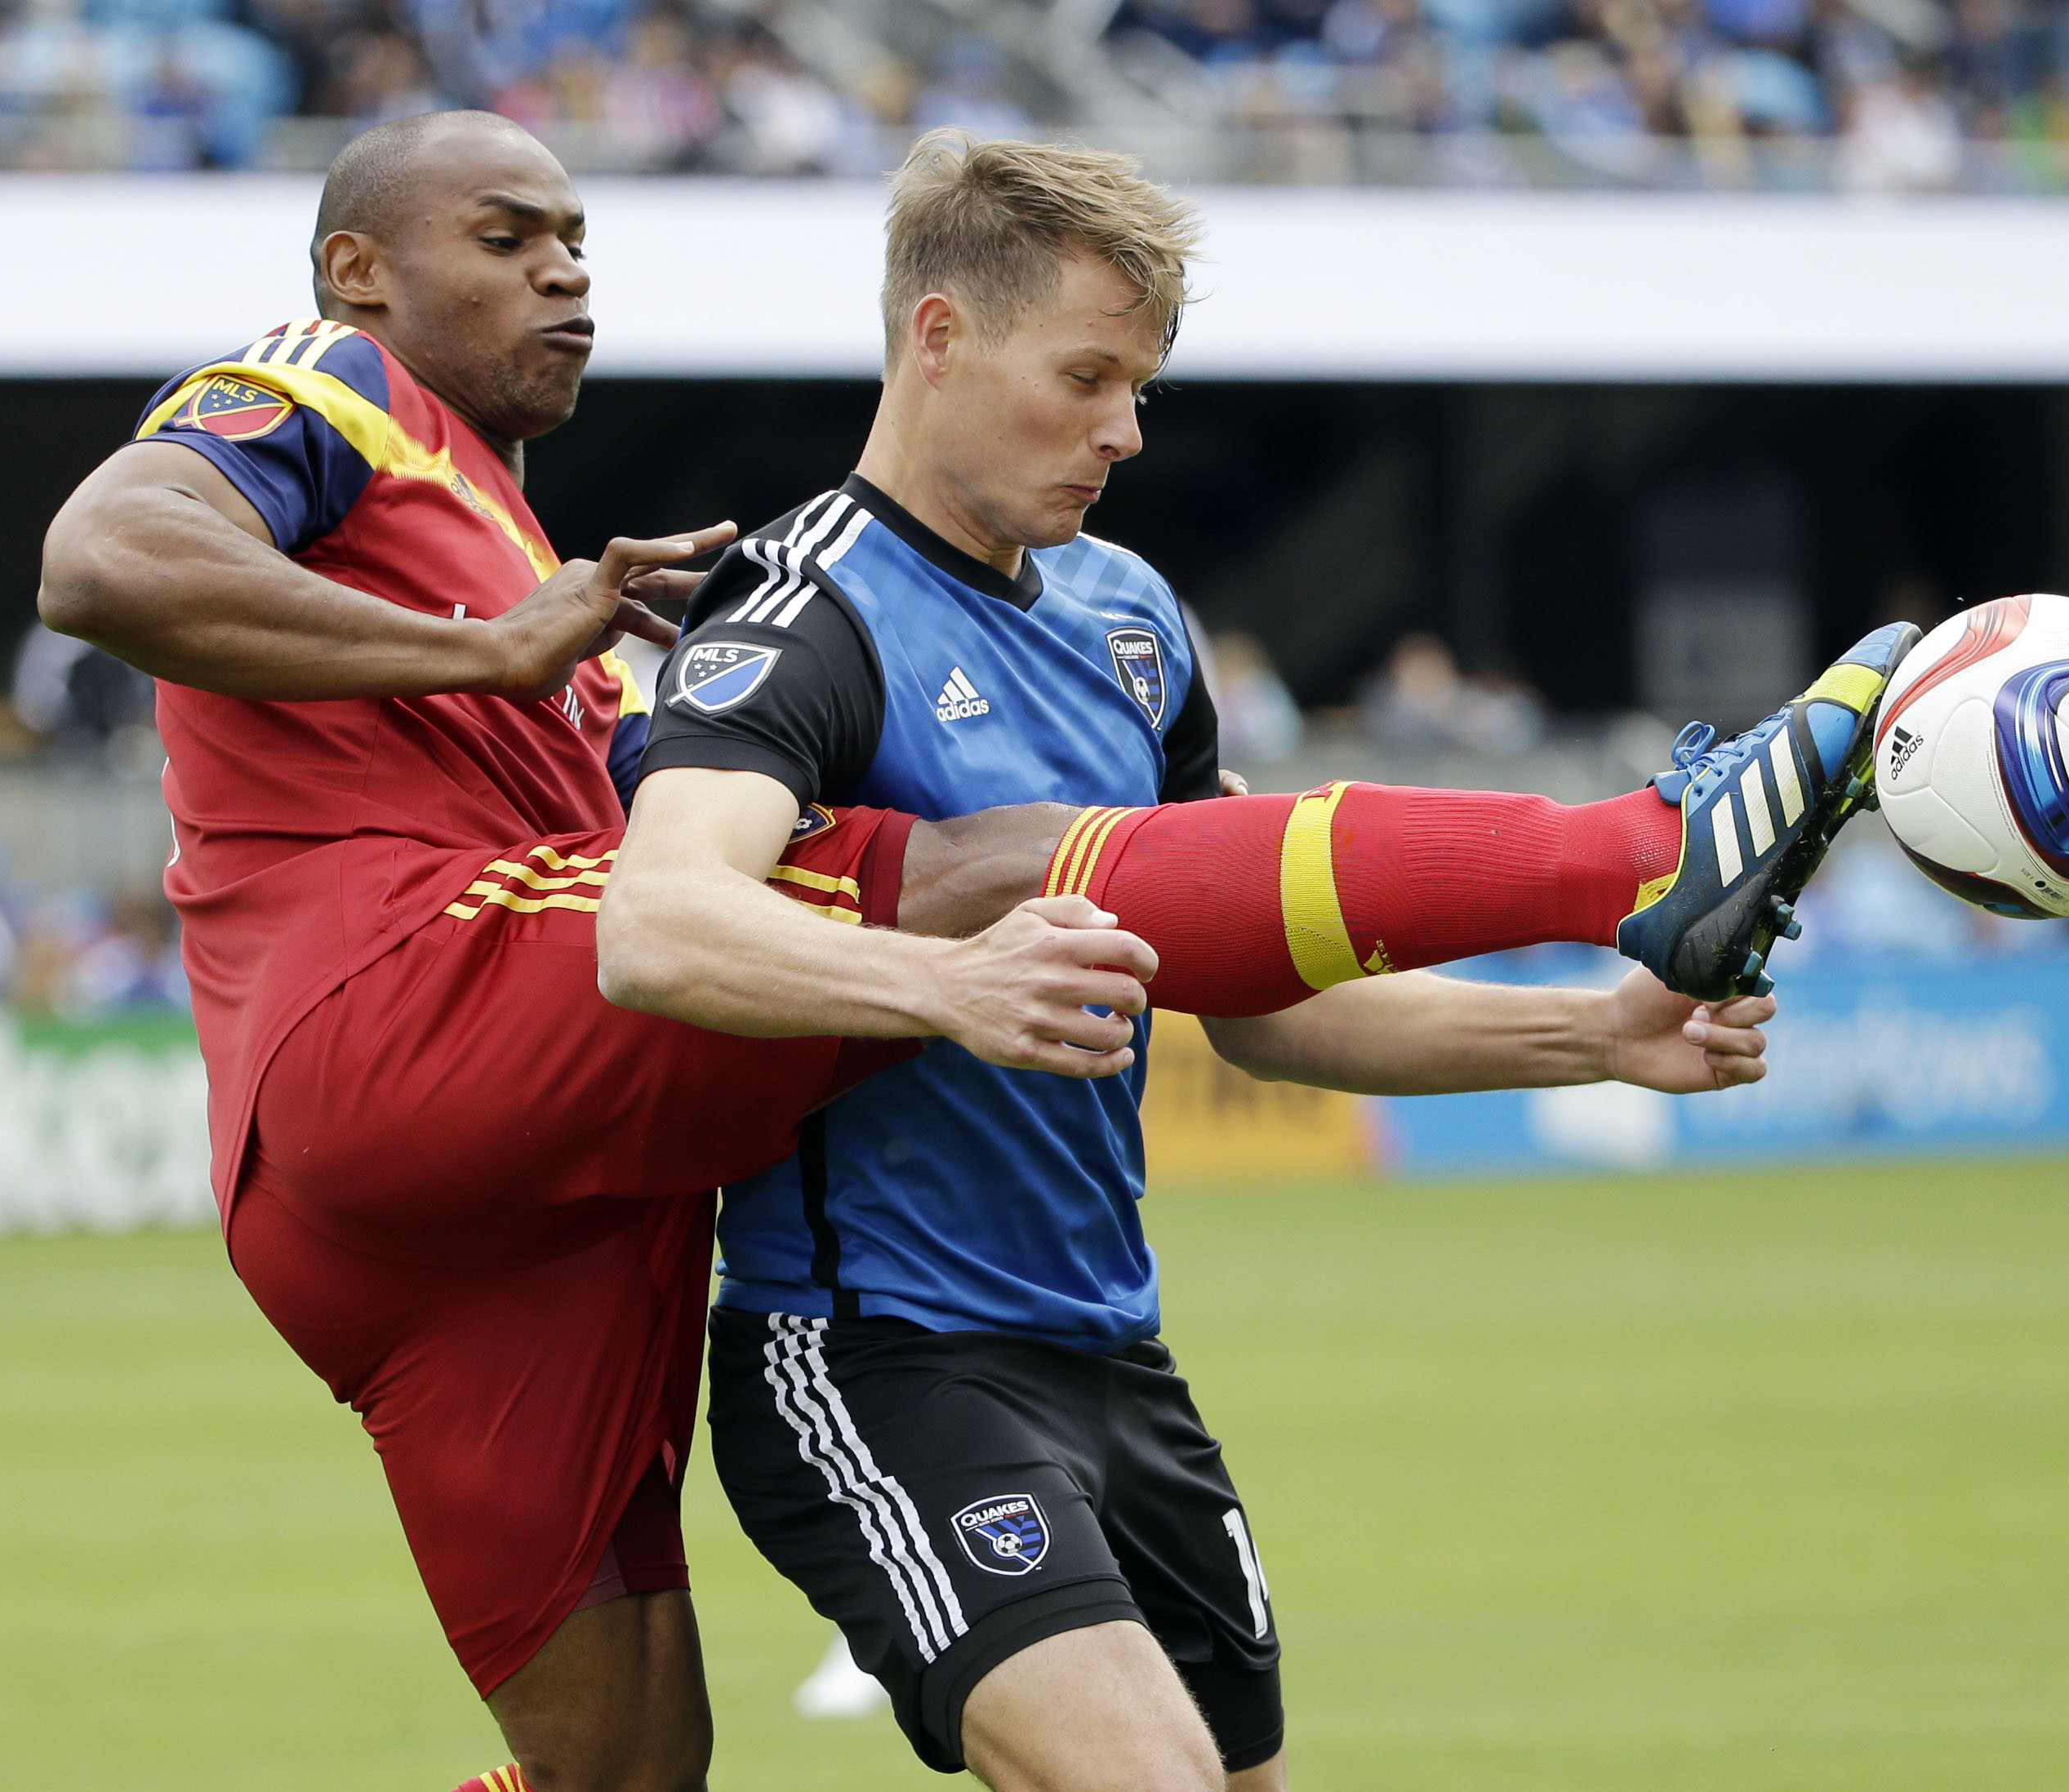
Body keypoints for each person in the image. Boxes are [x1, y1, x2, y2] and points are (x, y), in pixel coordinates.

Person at [33, 107, 1796, 1792]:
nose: (569, 274)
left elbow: (1239, 994)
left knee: (624, 1768)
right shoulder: (335, 387)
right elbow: (104, 556)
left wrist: (1592, 1037)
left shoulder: (1093, 619)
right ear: (357, 268)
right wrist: (495, 655)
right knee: (971, 877)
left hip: (528, 1238)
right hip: (472, 1079)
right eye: (508, 240)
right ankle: (1644, 844)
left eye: (581, 238)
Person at [595, 132, 1915, 1792]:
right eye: (1085, 378)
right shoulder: (802, 615)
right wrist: (942, 986)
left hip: (1116, 1357)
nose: (1125, 433)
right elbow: (653, 924)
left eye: (1140, 386)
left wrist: (1594, 1033)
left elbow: (1264, 1006)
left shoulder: (1133, 621)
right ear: (938, 339)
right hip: (874, 1353)